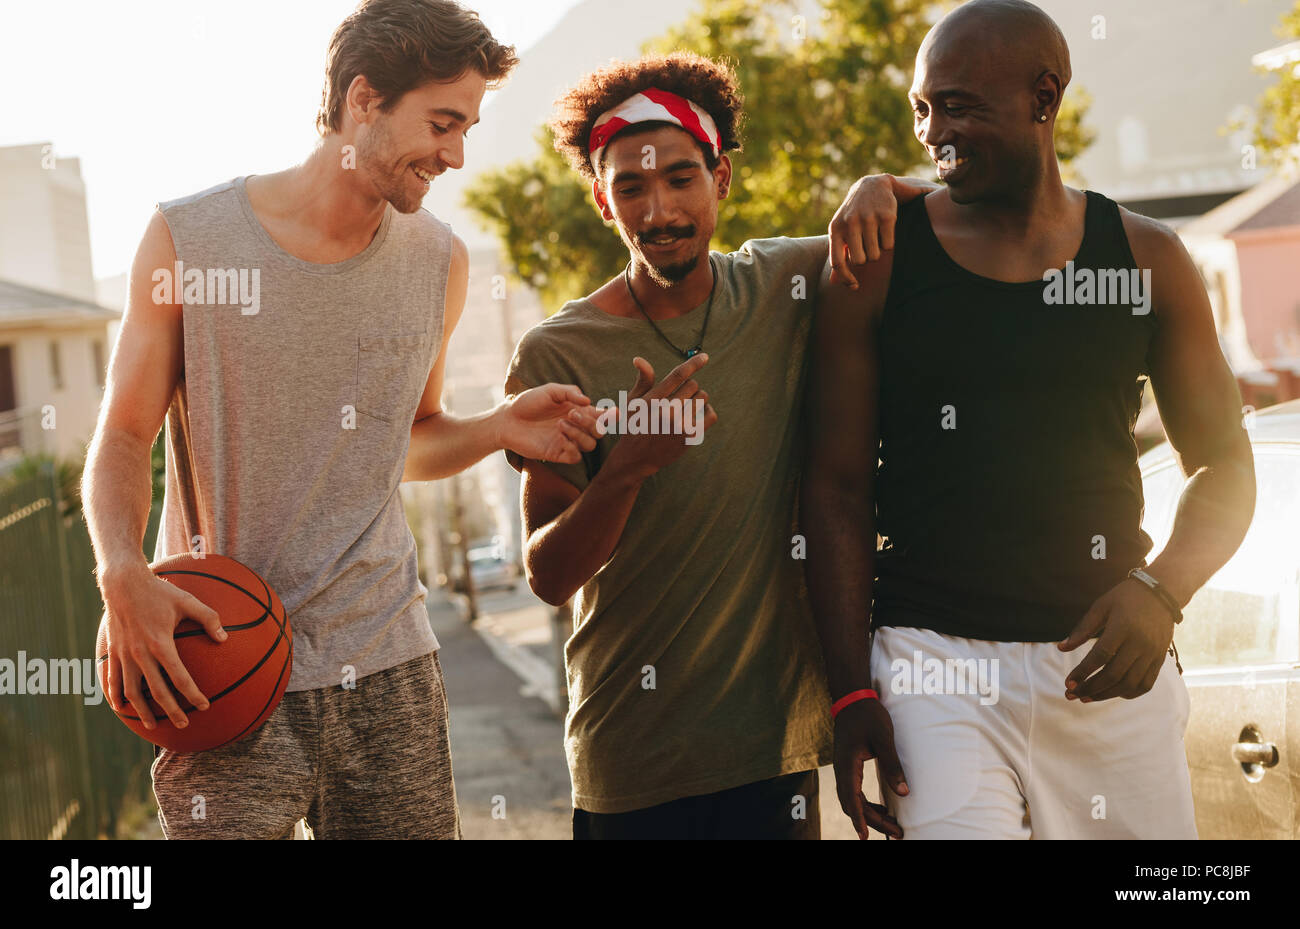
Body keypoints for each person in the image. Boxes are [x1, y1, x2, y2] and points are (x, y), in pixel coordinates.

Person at [82, 0, 602, 839]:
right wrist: (121, 571)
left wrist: (499, 425)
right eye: (442, 123)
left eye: (467, 127)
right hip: (222, 659)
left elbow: (406, 442)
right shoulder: (189, 240)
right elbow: (123, 435)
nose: (457, 154)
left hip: (387, 664)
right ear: (364, 100)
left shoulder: (440, 261)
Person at [804, 0, 1256, 840]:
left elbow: (1225, 463)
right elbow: (833, 488)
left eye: (959, 105)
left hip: (1108, 666)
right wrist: (852, 688)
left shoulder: (1148, 257)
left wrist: (1163, 590)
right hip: (931, 666)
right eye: (922, 108)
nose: (933, 131)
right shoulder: (878, 260)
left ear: (1043, 98)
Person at [504, 51, 930, 839]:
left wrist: (882, 186)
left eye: (679, 177)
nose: (658, 207)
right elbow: (548, 574)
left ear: (721, 179)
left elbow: (947, 212)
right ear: (603, 200)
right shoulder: (555, 353)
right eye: (630, 185)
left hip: (773, 754)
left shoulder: (787, 283)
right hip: (632, 763)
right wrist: (627, 468)